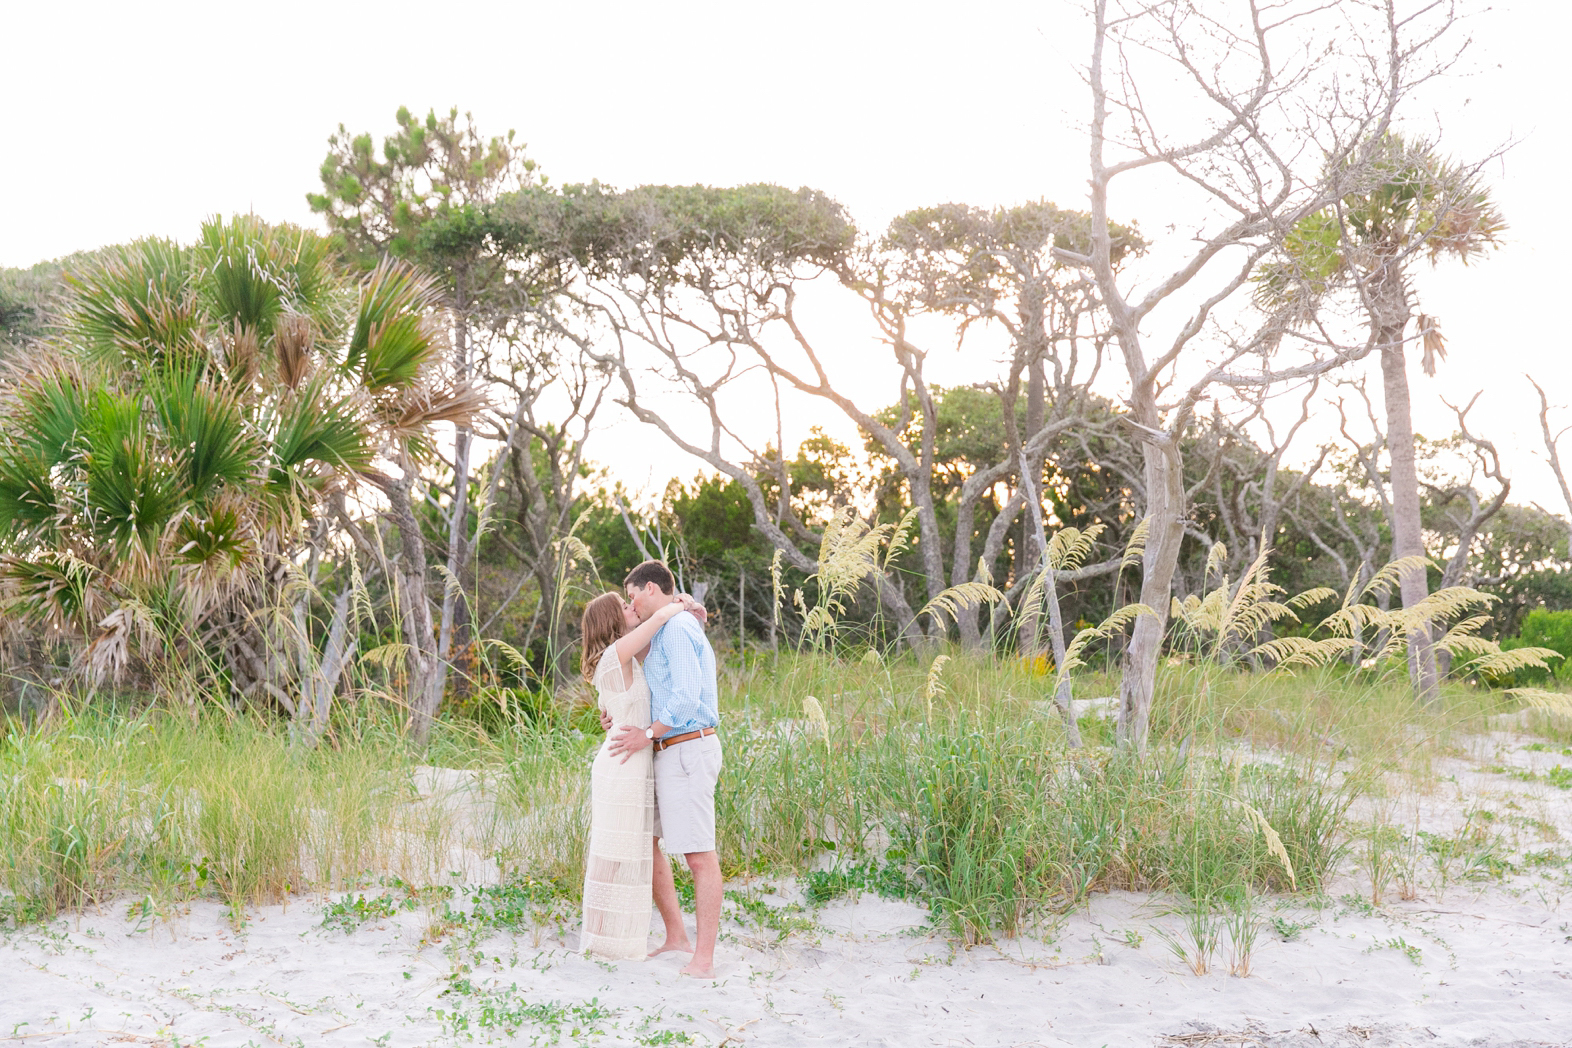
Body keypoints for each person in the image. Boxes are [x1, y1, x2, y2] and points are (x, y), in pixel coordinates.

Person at [606, 560, 723, 978]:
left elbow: (688, 699)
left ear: (650, 588)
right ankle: (676, 937)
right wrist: (623, 720)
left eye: (631, 593)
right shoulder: (669, 626)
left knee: (698, 855)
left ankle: (704, 961)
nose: (630, 601)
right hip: (667, 750)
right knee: (649, 842)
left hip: (689, 749)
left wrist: (646, 734)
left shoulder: (676, 629)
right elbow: (662, 690)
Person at [577, 587, 697, 960]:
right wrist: (682, 603)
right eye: (625, 607)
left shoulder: (616, 660)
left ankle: (615, 937)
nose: (633, 609)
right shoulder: (617, 653)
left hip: (626, 759)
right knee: (621, 853)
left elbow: (615, 710)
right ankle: (609, 941)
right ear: (613, 621)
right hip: (624, 764)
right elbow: (659, 617)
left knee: (631, 850)